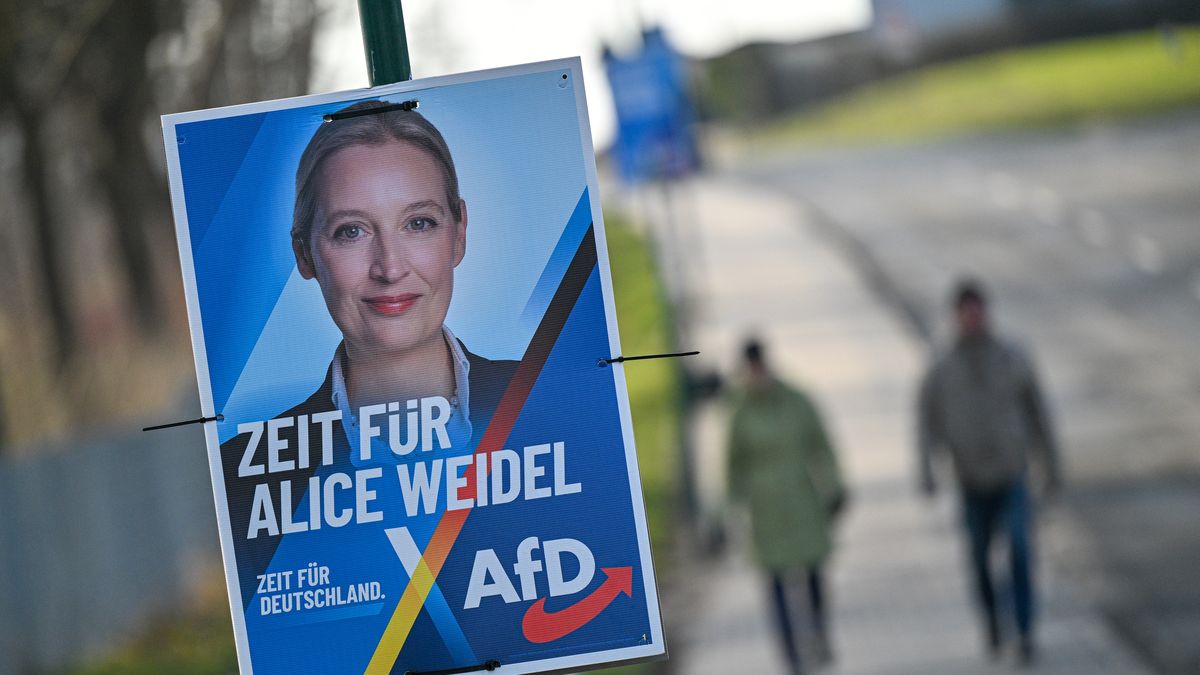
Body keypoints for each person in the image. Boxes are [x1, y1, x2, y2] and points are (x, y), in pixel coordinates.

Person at [220, 100, 517, 604]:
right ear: (305, 253)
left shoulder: (551, 401)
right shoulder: (250, 474)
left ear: (459, 233)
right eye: (351, 231)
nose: (389, 267)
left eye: (418, 223)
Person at [917, 278, 1062, 666]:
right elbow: (926, 420)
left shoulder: (1011, 355)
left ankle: (1025, 630)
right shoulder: (943, 366)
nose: (973, 320)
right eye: (966, 314)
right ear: (956, 317)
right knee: (980, 558)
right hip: (970, 479)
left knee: (1018, 548)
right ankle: (993, 620)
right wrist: (927, 471)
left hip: (1012, 472)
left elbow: (1038, 411)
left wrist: (1051, 463)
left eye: (978, 312)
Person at [727, 338, 845, 674]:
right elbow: (732, 464)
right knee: (775, 583)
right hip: (766, 510)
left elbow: (821, 444)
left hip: (801, 500)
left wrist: (834, 486)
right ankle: (791, 655)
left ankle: (819, 635)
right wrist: (730, 510)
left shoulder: (796, 400)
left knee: (813, 574)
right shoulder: (739, 410)